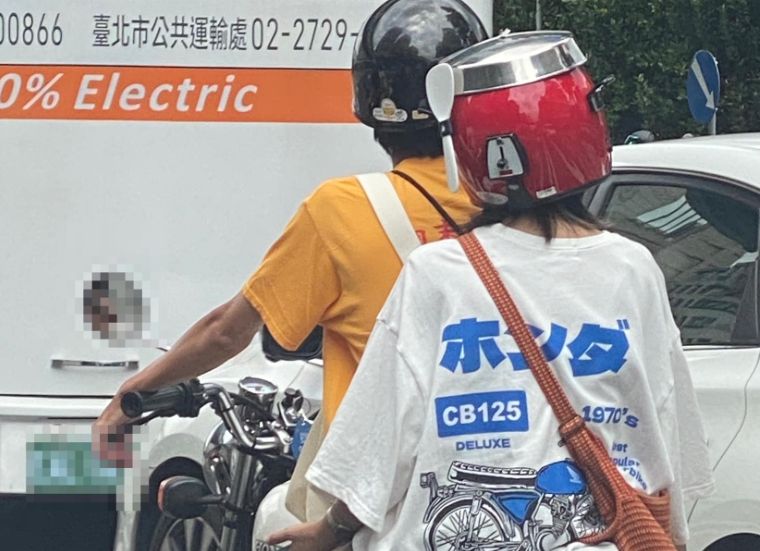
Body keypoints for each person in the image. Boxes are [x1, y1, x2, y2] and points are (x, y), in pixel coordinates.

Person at [269, 31, 714, 550]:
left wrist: (329, 531)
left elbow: (377, 452)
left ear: (473, 153)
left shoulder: (437, 273)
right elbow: (666, 438)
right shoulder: (633, 270)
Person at [93, 0, 488, 518]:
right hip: (500, 479)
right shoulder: (514, 204)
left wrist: (131, 394)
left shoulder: (342, 209)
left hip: (376, 498)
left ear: (369, 100)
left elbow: (227, 333)